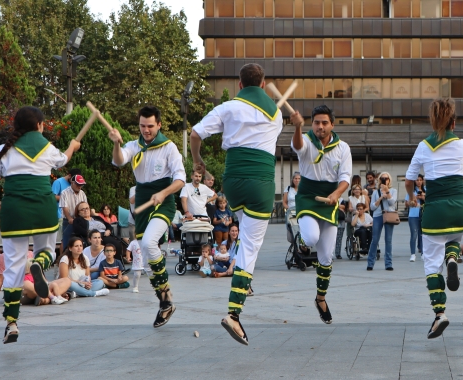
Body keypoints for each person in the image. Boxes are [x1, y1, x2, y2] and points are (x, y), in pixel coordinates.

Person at [190, 63, 285, 345]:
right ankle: (234, 312)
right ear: (264, 85)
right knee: (252, 247)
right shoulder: (277, 114)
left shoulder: (228, 107)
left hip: (232, 181)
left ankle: (244, 273)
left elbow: (195, 134)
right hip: (260, 183)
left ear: (240, 85)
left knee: (245, 232)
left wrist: (197, 161)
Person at [0, 106, 81, 343]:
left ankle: (12, 322)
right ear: (39, 125)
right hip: (43, 209)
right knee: (47, 252)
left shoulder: (3, 150)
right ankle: (38, 263)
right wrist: (73, 146)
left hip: (14, 211)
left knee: (14, 266)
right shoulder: (47, 147)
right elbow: (64, 160)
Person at [109, 105, 185, 328]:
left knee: (150, 242)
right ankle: (164, 300)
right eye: (142, 126)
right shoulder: (134, 146)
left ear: (159, 124)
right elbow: (119, 160)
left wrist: (163, 192)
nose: (146, 130)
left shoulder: (169, 148)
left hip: (164, 200)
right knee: (145, 247)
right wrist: (116, 143)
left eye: (150, 126)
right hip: (142, 199)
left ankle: (166, 296)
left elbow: (180, 179)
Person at [405, 98, 463, 339]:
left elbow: (409, 179)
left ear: (433, 122)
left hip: (435, 209)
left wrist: (412, 197)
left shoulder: (424, 146)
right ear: (454, 122)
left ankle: (439, 314)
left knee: (432, 264)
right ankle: (453, 257)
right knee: (456, 236)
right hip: (460, 207)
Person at [291, 104, 352, 324]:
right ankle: (303, 240)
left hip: (330, 200)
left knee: (326, 258)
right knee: (311, 238)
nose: (320, 126)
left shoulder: (343, 147)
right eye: (316, 122)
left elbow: (345, 177)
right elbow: (298, 146)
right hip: (307, 197)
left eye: (325, 122)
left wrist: (337, 194)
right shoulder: (306, 140)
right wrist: (298, 127)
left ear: (332, 125)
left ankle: (320, 298)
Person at [367, 171, 398, 271]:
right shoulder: (376, 192)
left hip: (389, 215)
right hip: (378, 216)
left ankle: (388, 263)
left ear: (389, 180)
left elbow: (392, 202)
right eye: (383, 178)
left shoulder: (393, 190)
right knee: (375, 239)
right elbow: (372, 207)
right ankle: (370, 263)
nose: (385, 180)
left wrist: (387, 192)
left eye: (387, 178)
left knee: (388, 240)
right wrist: (380, 197)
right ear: (379, 180)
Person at [59, 174, 88, 250]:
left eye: (81, 184)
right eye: (78, 184)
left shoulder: (82, 193)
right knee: (67, 242)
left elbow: (85, 206)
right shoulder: (64, 193)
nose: (80, 186)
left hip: (80, 221)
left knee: (82, 242)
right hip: (69, 221)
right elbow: (65, 208)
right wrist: (69, 218)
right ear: (72, 183)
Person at [52, 168, 80, 248]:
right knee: (63, 240)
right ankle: (62, 258)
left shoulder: (75, 185)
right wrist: (66, 197)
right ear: (69, 175)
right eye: (73, 180)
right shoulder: (58, 182)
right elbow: (52, 197)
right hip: (61, 215)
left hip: (74, 216)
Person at [406, 174, 425, 262]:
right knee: (414, 234)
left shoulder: (426, 190)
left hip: (424, 214)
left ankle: (423, 253)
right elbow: (407, 203)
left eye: (420, 180)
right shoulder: (411, 192)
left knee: (423, 235)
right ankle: (413, 254)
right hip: (413, 214)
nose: (418, 182)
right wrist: (414, 199)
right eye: (417, 180)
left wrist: (423, 197)